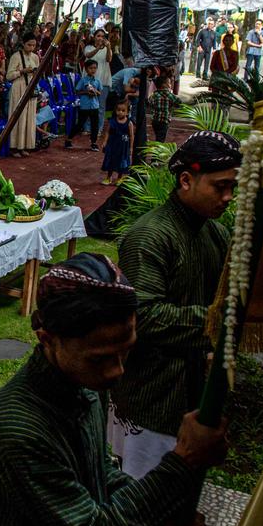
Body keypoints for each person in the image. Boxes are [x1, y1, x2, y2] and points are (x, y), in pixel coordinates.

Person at [0, 253, 226, 526]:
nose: (117, 371)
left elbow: (97, 472)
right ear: (47, 339)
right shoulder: (18, 428)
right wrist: (183, 462)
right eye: (100, 358)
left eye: (125, 351)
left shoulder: (87, 384)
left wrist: (161, 514)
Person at [108, 131, 239, 478]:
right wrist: (220, 320)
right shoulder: (150, 236)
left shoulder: (215, 235)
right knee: (140, 494)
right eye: (220, 186)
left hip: (193, 392)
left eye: (233, 188)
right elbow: (144, 317)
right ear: (185, 180)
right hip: (151, 395)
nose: (228, 197)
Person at [5, 34, 41, 157]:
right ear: (23, 44)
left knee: (29, 117)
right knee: (18, 116)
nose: (31, 48)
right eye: (29, 45)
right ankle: (15, 147)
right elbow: (8, 76)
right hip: (18, 88)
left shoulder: (36, 57)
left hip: (30, 88)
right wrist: (22, 71)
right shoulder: (16, 57)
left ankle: (26, 146)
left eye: (34, 45)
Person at [67, 59, 104, 151]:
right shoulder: (83, 80)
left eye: (95, 68)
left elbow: (100, 93)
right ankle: (69, 139)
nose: (93, 70)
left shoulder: (97, 81)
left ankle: (94, 143)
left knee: (95, 125)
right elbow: (77, 91)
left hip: (94, 106)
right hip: (84, 106)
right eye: (91, 68)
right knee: (80, 124)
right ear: (86, 69)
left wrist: (95, 91)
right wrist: (86, 92)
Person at [99, 100, 133, 186]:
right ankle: (108, 177)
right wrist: (105, 141)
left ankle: (119, 178)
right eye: (118, 110)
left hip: (123, 146)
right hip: (112, 144)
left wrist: (131, 147)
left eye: (123, 110)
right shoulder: (112, 121)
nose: (120, 112)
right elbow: (107, 132)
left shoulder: (129, 123)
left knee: (121, 162)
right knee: (111, 161)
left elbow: (131, 136)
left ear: (127, 112)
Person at [147, 75, 179, 143]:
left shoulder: (154, 95)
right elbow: (179, 103)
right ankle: (157, 151)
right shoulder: (170, 95)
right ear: (164, 85)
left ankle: (157, 148)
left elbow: (149, 102)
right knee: (161, 138)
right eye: (169, 83)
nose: (170, 84)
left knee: (158, 136)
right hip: (164, 120)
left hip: (155, 120)